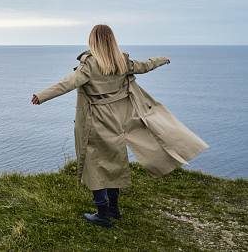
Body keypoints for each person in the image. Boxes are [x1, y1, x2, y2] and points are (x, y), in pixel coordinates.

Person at [31, 24, 209, 228]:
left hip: (96, 120)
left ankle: (103, 215)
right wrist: (162, 59)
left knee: (96, 166)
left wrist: (41, 96)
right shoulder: (121, 61)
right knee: (115, 163)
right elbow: (144, 65)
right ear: (112, 40)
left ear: (93, 41)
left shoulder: (89, 65)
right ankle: (114, 209)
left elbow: (68, 83)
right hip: (120, 118)